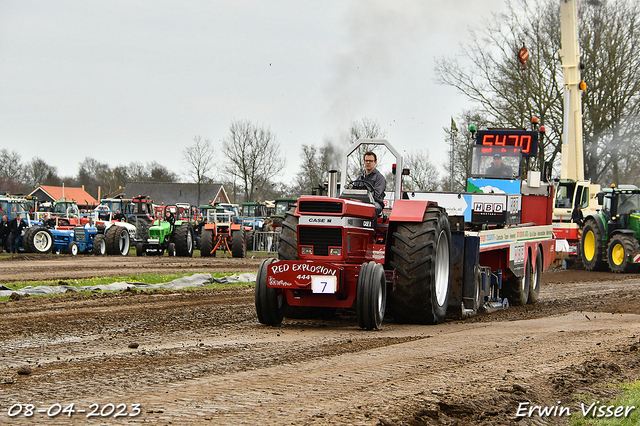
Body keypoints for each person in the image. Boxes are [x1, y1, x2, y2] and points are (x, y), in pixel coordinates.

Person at [358, 151, 386, 215]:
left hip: (375, 203)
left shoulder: (379, 178)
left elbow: (376, 194)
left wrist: (363, 198)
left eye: (370, 161)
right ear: (364, 162)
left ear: (375, 162)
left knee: (372, 208)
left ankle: (372, 225)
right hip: (360, 202)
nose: (368, 162)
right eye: (366, 160)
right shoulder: (360, 177)